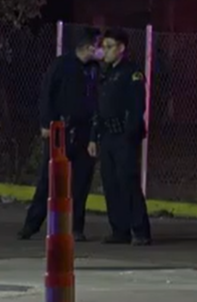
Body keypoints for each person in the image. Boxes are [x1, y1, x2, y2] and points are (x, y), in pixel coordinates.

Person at [17, 28, 101, 242]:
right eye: (97, 45)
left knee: (80, 183)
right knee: (48, 180)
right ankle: (31, 225)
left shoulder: (95, 69)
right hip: (60, 131)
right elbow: (47, 94)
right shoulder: (62, 65)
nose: (100, 50)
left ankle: (75, 227)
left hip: (83, 132)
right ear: (87, 46)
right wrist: (47, 123)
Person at [89, 28, 152, 246]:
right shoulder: (106, 73)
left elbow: (137, 108)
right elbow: (98, 108)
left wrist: (129, 134)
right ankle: (119, 229)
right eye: (103, 47)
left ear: (121, 48)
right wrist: (93, 137)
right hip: (107, 135)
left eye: (109, 47)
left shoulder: (132, 73)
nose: (104, 51)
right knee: (110, 183)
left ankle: (140, 230)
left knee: (128, 182)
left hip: (124, 136)